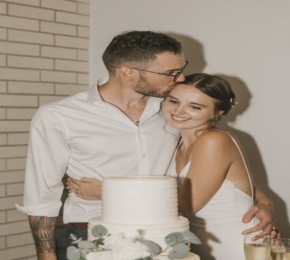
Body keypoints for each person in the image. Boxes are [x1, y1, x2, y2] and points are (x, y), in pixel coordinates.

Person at [17, 31, 274, 260]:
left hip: (167, 234)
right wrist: (46, 255)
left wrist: (261, 200)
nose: (181, 77)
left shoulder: (169, 110)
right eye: (170, 73)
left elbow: (214, 167)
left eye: (180, 68)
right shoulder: (59, 116)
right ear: (128, 73)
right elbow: (41, 198)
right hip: (95, 234)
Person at [162, 73, 273, 259]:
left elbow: (187, 205)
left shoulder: (214, 140)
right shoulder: (177, 141)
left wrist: (113, 192)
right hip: (205, 244)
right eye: (173, 101)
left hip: (240, 243)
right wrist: (263, 200)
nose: (179, 111)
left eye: (195, 107)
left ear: (216, 112)